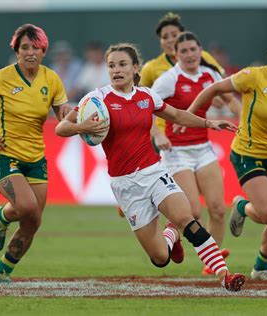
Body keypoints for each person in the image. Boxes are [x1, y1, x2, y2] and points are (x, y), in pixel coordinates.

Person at [55, 43, 245, 291]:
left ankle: (224, 276)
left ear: (135, 68)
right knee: (160, 258)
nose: (116, 70)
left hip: (155, 171)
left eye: (122, 64)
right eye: (111, 65)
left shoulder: (146, 96)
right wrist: (83, 127)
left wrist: (210, 123)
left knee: (187, 217)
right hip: (125, 184)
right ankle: (170, 237)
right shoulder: (97, 99)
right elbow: (61, 128)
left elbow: (177, 115)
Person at [187, 33, 267, 280]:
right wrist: (190, 115)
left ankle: (261, 269)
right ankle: (241, 206)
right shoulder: (254, 76)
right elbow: (215, 88)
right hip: (246, 153)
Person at [0, 24, 70, 283]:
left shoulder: (51, 79)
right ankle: (1, 215)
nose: (30, 52)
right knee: (27, 206)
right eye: (24, 47)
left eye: (36, 48)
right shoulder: (1, 77)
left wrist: (79, 121)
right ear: (16, 51)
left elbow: (63, 115)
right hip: (5, 155)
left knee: (33, 222)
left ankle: (2, 272)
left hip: (36, 159)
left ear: (44, 51)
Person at [151, 32, 240, 276]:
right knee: (193, 212)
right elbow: (144, 106)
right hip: (176, 152)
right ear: (175, 55)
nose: (190, 55)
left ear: (201, 50)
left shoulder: (210, 75)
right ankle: (174, 234)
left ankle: (211, 266)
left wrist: (242, 119)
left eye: (193, 49)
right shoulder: (169, 79)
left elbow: (229, 99)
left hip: (203, 148)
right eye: (184, 51)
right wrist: (158, 135)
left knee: (219, 209)